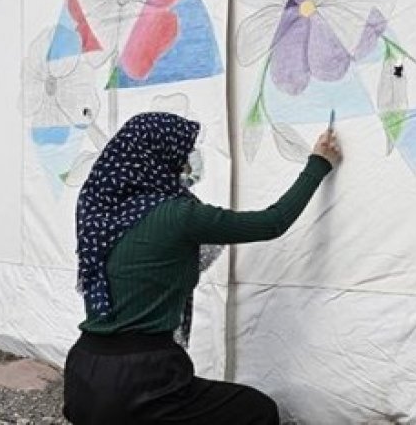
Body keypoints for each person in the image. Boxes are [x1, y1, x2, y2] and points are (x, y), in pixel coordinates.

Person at [63, 111, 341, 424]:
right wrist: (318, 164)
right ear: (160, 156)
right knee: (256, 410)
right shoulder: (179, 216)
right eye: (184, 152)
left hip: (82, 375)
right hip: (140, 378)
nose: (189, 160)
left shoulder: (98, 211)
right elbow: (272, 222)